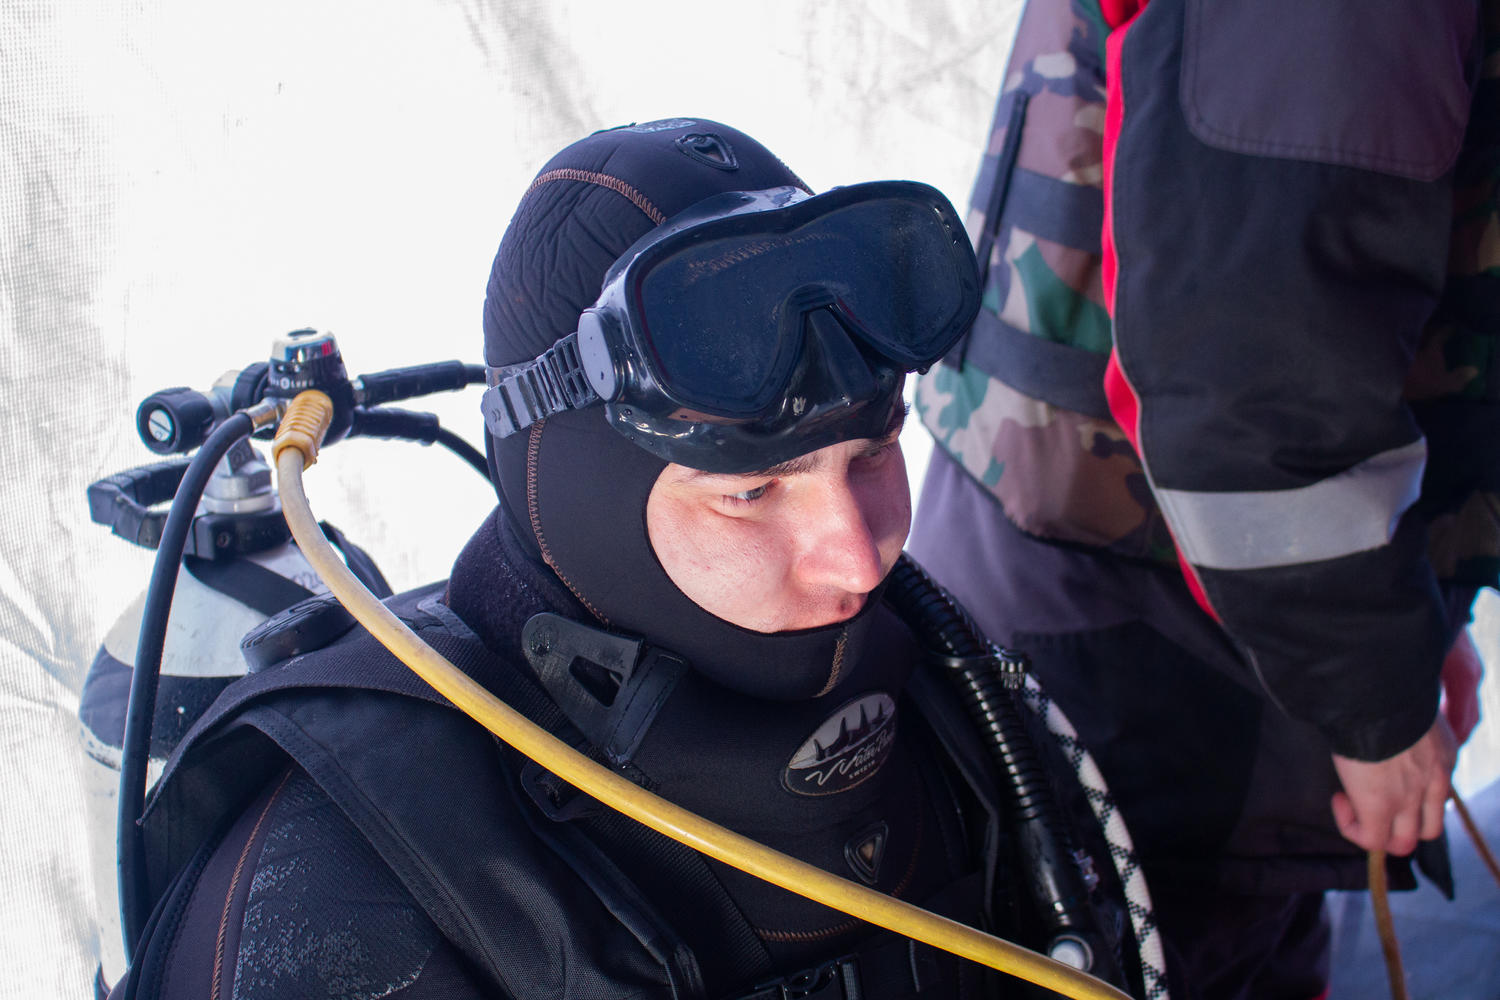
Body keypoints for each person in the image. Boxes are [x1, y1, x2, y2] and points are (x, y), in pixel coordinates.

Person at [104, 118, 1130, 1000]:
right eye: (752, 490)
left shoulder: (957, 707)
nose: (859, 555)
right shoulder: (348, 876)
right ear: (591, 501)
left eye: (871, 453)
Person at [909, 2, 1498, 998]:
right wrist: (1371, 689)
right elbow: (1251, 378)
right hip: (1143, 651)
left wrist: (1400, 603)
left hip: (1181, 615)